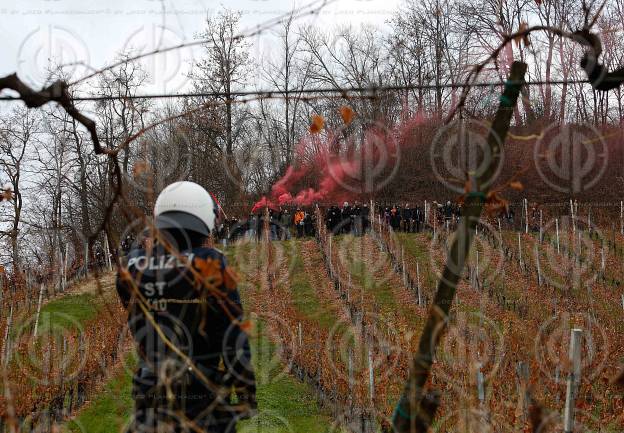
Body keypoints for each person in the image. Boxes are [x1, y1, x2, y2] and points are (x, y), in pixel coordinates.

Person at [117, 181, 257, 433]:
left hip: (150, 394)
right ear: (204, 221)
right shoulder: (213, 266)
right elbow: (234, 337)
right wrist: (246, 393)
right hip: (203, 396)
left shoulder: (131, 268)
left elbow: (131, 306)